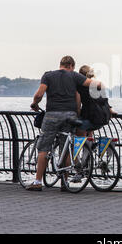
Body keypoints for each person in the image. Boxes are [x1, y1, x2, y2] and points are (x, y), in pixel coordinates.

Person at [26, 56, 101, 191]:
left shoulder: (48, 76)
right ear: (71, 65)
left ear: (61, 64)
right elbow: (96, 85)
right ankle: (64, 183)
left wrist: (34, 104)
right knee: (65, 150)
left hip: (52, 115)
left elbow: (39, 94)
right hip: (70, 116)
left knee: (43, 149)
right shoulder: (74, 76)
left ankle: (37, 182)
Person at [76, 65, 117, 137]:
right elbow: (104, 100)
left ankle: (82, 146)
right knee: (89, 127)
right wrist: (111, 110)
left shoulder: (79, 87)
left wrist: (77, 115)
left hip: (92, 118)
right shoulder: (98, 85)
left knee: (79, 127)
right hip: (103, 119)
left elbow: (78, 105)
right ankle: (90, 145)